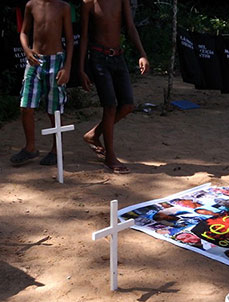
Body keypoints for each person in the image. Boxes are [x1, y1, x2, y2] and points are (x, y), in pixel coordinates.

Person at [79, 0, 149, 174]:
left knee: (127, 105)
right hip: (98, 58)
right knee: (109, 106)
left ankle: (94, 134)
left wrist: (142, 54)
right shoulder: (88, 3)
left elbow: (130, 26)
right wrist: (81, 69)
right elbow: (84, 37)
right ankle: (110, 156)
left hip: (118, 57)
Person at [10, 0, 73, 166]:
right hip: (35, 60)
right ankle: (30, 148)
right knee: (26, 105)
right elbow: (23, 32)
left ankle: (56, 149)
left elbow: (69, 39)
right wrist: (26, 49)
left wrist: (67, 67)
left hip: (56, 61)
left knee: (55, 109)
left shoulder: (63, 7)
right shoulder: (31, 5)